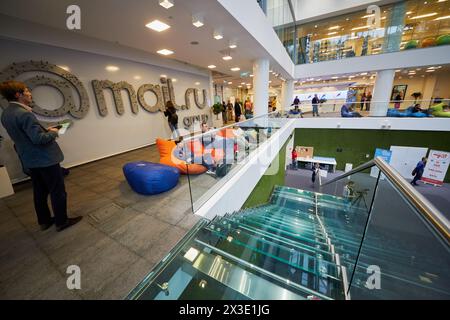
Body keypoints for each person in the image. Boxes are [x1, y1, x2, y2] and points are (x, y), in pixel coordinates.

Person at [0, 81, 82, 232]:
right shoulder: (24, 114)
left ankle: (44, 221)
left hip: (30, 159)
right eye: (26, 91)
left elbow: (25, 136)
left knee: (40, 191)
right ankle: (62, 221)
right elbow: (39, 139)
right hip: (45, 159)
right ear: (18, 95)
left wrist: (46, 130)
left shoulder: (6, 113)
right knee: (57, 191)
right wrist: (53, 131)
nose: (30, 93)